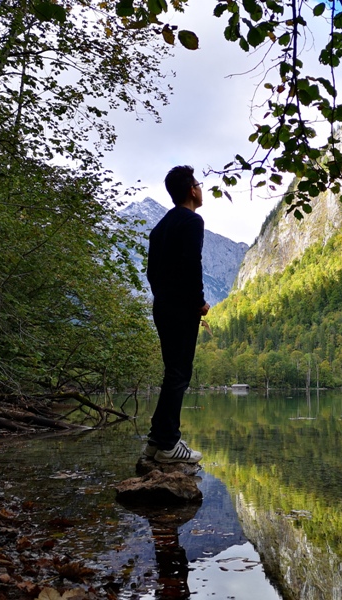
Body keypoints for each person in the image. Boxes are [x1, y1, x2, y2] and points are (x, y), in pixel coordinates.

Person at [143, 165, 210, 463]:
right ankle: (170, 444)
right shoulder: (192, 221)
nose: (201, 188)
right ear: (191, 190)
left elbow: (151, 273)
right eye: (198, 183)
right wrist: (198, 302)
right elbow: (191, 264)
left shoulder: (160, 227)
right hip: (182, 308)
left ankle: (156, 442)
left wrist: (163, 297)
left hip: (163, 306)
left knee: (173, 372)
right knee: (179, 373)